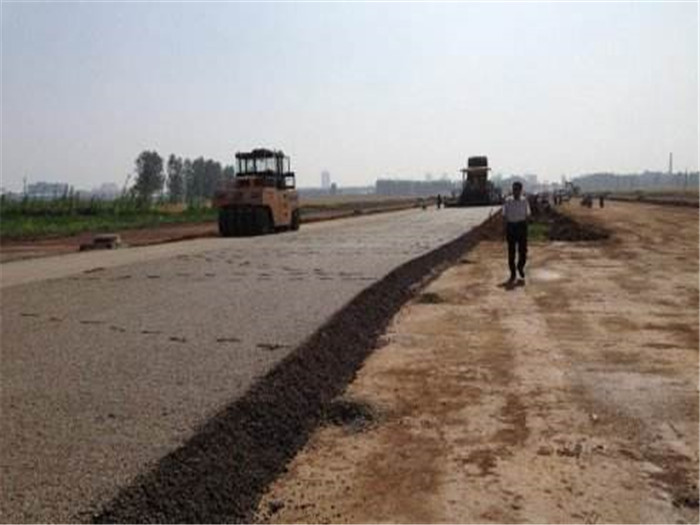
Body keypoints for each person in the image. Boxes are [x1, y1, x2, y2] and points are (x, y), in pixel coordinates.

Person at [503, 181, 531, 283]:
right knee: (511, 251)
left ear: (521, 190)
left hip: (521, 226)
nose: (515, 191)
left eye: (517, 189)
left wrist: (526, 227)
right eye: (514, 189)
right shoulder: (508, 201)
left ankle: (520, 267)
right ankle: (513, 273)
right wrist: (505, 228)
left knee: (523, 251)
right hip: (511, 227)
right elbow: (504, 215)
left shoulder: (524, 201)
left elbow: (528, 214)